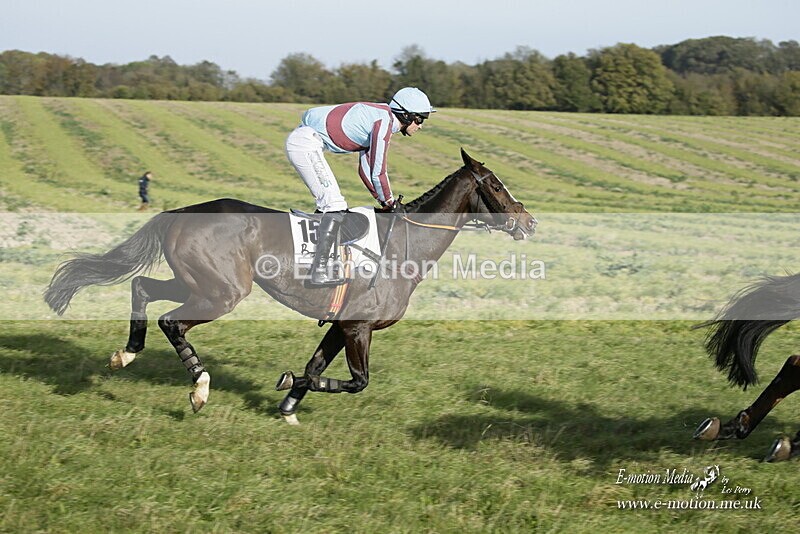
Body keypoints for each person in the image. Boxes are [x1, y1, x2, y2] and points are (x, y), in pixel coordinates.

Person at [285, 87, 435, 286]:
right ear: (407, 116)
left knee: (332, 204)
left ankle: (315, 258)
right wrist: (390, 202)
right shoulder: (383, 123)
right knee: (334, 204)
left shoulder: (381, 118)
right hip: (306, 143)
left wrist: (383, 201)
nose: (421, 126)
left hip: (306, 141)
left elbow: (366, 170)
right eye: (420, 119)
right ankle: (318, 271)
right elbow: (378, 172)